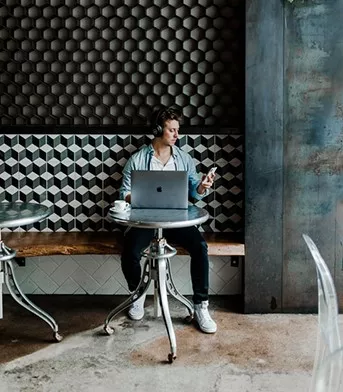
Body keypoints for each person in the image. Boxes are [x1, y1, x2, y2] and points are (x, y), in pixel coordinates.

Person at [118, 106, 217, 334]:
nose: (176, 135)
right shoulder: (136, 159)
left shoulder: (184, 159)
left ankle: (201, 306)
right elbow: (123, 193)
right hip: (145, 222)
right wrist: (139, 196)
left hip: (176, 222)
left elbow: (194, 191)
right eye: (171, 130)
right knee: (130, 251)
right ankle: (137, 294)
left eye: (177, 130)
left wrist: (202, 186)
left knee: (200, 247)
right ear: (158, 130)